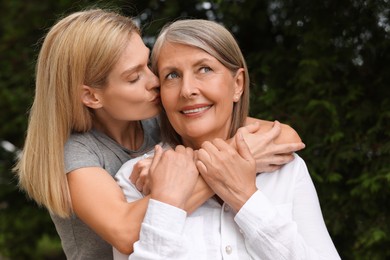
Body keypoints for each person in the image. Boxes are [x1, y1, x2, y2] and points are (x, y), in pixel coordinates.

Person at [13, 9, 305, 260]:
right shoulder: (76, 154)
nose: (155, 82)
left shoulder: (156, 121)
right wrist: (230, 165)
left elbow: (282, 135)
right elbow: (127, 233)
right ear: (91, 97)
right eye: (134, 76)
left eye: (148, 64)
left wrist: (197, 165)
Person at [115, 19, 340, 259]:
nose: (187, 90)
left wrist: (246, 198)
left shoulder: (285, 169)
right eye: (172, 75)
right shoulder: (137, 177)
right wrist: (166, 202)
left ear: (238, 84)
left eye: (204, 69)